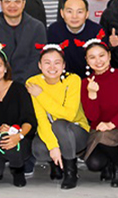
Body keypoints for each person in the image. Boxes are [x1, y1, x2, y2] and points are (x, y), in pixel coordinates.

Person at [26, 45, 90, 189]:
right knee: (39, 149)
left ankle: (71, 171)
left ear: (63, 65)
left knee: (60, 124)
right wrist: (53, 147)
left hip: (76, 132)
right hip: (51, 130)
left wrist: (41, 95)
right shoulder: (33, 83)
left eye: (57, 62)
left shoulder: (73, 80)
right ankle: (56, 163)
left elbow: (69, 115)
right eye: (47, 63)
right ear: (40, 65)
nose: (52, 67)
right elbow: (41, 119)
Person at [80, 37, 118, 187]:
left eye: (101, 55)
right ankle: (110, 162)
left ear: (109, 56)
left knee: (105, 135)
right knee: (94, 164)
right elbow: (92, 116)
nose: (98, 61)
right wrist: (92, 95)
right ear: (87, 60)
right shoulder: (86, 83)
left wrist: (111, 124)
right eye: (92, 57)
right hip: (98, 131)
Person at [0, 45, 37, 187]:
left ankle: (18, 169)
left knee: (12, 145)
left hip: (21, 137)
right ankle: (1, 162)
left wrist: (18, 135)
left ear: (5, 68)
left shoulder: (19, 89)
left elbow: (29, 119)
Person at [45, 0, 103, 78]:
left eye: (79, 12)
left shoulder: (97, 31)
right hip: (62, 79)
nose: (74, 16)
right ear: (62, 13)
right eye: (69, 11)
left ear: (87, 14)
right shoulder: (53, 30)